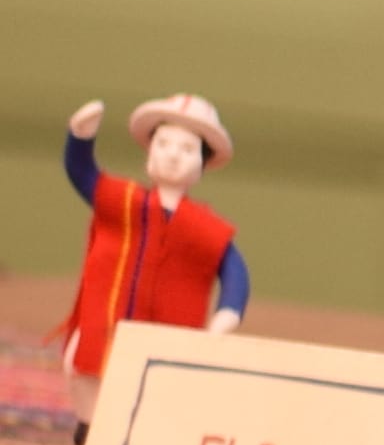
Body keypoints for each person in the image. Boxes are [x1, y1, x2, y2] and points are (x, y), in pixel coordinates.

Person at [57, 95, 244, 379]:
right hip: (104, 332)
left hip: (168, 346)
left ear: (202, 163)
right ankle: (87, 424)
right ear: (150, 151)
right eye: (163, 144)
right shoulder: (122, 203)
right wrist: (81, 136)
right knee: (88, 381)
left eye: (187, 149)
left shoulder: (205, 227)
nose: (172, 155)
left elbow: (234, 272)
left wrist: (226, 316)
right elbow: (82, 173)